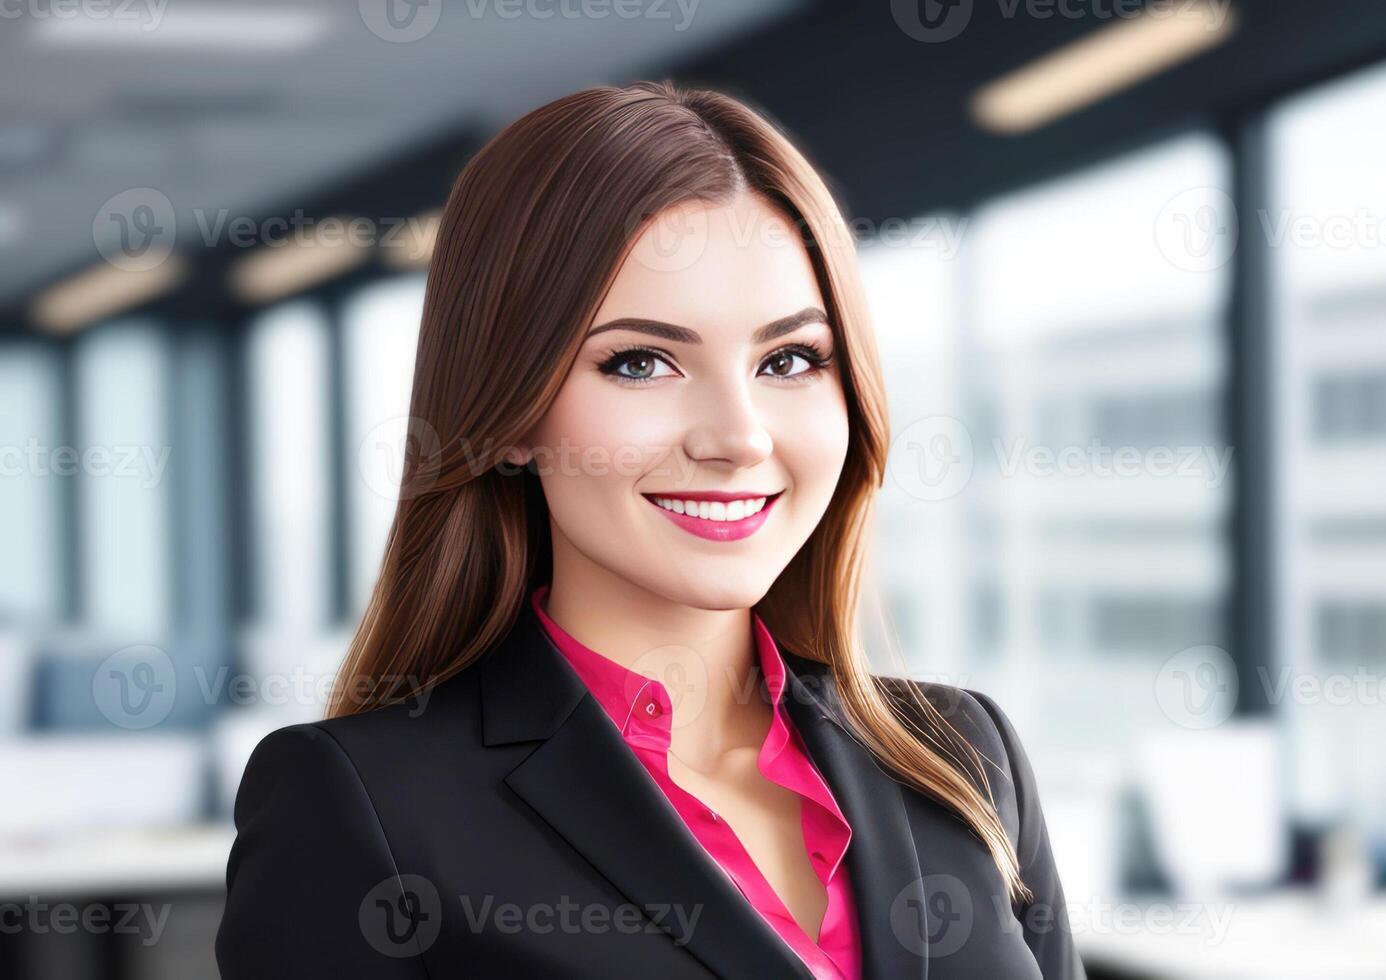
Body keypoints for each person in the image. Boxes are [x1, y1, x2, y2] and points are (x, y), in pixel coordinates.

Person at [215, 80, 1084, 980]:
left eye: (789, 359)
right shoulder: (363, 807)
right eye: (640, 362)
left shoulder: (960, 754)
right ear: (507, 412)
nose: (738, 436)